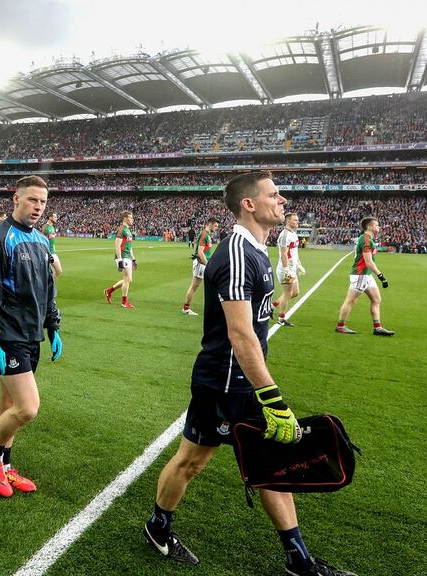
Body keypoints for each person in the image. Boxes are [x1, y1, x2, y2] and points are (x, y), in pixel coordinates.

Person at [143, 171, 356, 576]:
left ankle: (299, 560)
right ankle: (158, 526)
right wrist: (273, 398)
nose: (283, 201)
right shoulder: (238, 252)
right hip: (223, 382)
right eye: (274, 194)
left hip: (243, 381)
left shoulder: (257, 251)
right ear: (249, 204)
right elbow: (240, 335)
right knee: (192, 462)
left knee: (271, 466)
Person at [0, 175, 62, 498]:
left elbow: (47, 290)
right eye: (32, 200)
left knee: (8, 405)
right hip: (8, 336)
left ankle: (5, 467)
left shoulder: (40, 240)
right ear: (16, 199)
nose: (38, 207)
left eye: (42, 202)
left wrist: (53, 327)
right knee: (27, 408)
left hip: (31, 334)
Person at [335, 217, 393, 336]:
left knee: (376, 300)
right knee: (351, 301)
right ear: (369, 227)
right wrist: (381, 276)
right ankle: (340, 326)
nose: (378, 227)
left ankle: (378, 328)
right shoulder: (366, 240)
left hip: (366, 275)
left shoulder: (368, 239)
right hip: (361, 274)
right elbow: (369, 262)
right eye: (376, 225)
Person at [273, 212, 306, 326]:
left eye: (297, 220)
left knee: (295, 292)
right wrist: (286, 269)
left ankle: (271, 307)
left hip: (292, 269)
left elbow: (294, 253)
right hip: (285, 269)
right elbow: (284, 254)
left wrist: (299, 265)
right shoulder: (285, 235)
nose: (297, 222)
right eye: (295, 220)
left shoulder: (293, 234)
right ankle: (281, 319)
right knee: (287, 293)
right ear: (288, 221)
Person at [182, 217, 219, 316]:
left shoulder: (206, 235)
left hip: (202, 262)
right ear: (210, 224)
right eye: (215, 226)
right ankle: (186, 308)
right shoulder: (204, 235)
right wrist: (208, 265)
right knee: (194, 286)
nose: (216, 228)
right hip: (200, 262)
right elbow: (200, 253)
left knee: (198, 286)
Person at [105, 211, 136, 308]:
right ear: (125, 218)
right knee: (127, 279)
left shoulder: (128, 230)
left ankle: (109, 290)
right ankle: (124, 302)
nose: (132, 220)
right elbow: (117, 245)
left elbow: (129, 246)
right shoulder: (122, 229)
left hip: (127, 256)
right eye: (130, 218)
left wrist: (134, 259)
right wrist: (119, 260)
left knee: (128, 279)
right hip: (122, 256)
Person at [41, 211, 62, 278]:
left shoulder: (52, 228)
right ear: (50, 217)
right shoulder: (45, 226)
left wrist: (54, 248)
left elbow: (52, 240)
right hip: (47, 252)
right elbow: (41, 239)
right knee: (55, 271)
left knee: (59, 271)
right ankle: (48, 286)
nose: (56, 218)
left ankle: (49, 285)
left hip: (52, 252)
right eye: (55, 217)